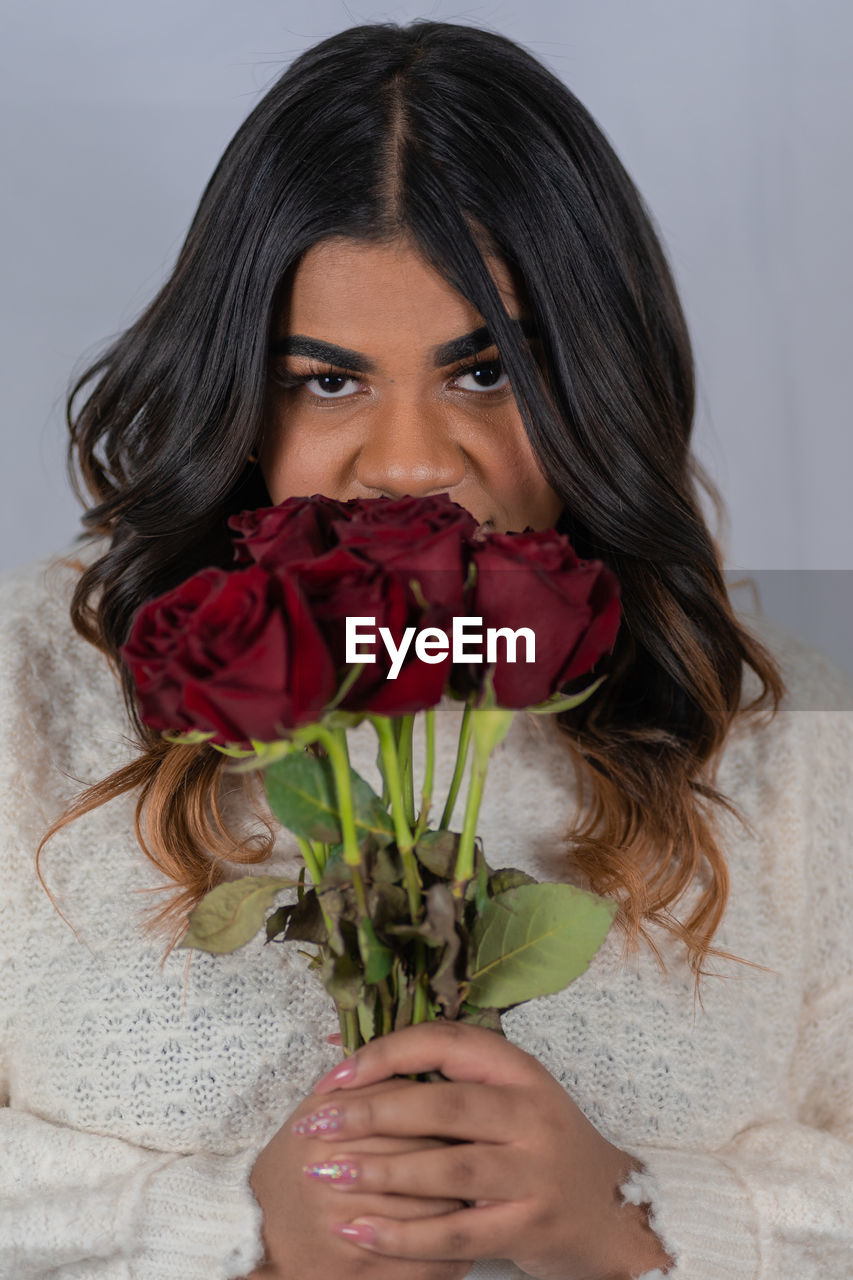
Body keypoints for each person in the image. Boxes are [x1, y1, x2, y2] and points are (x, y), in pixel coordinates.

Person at [1, 18, 851, 1280]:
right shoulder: (36, 686)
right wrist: (227, 1226)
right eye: (327, 381)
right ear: (238, 389)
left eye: (487, 373)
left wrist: (640, 1214)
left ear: (597, 384)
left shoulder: (784, 735)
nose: (406, 462)